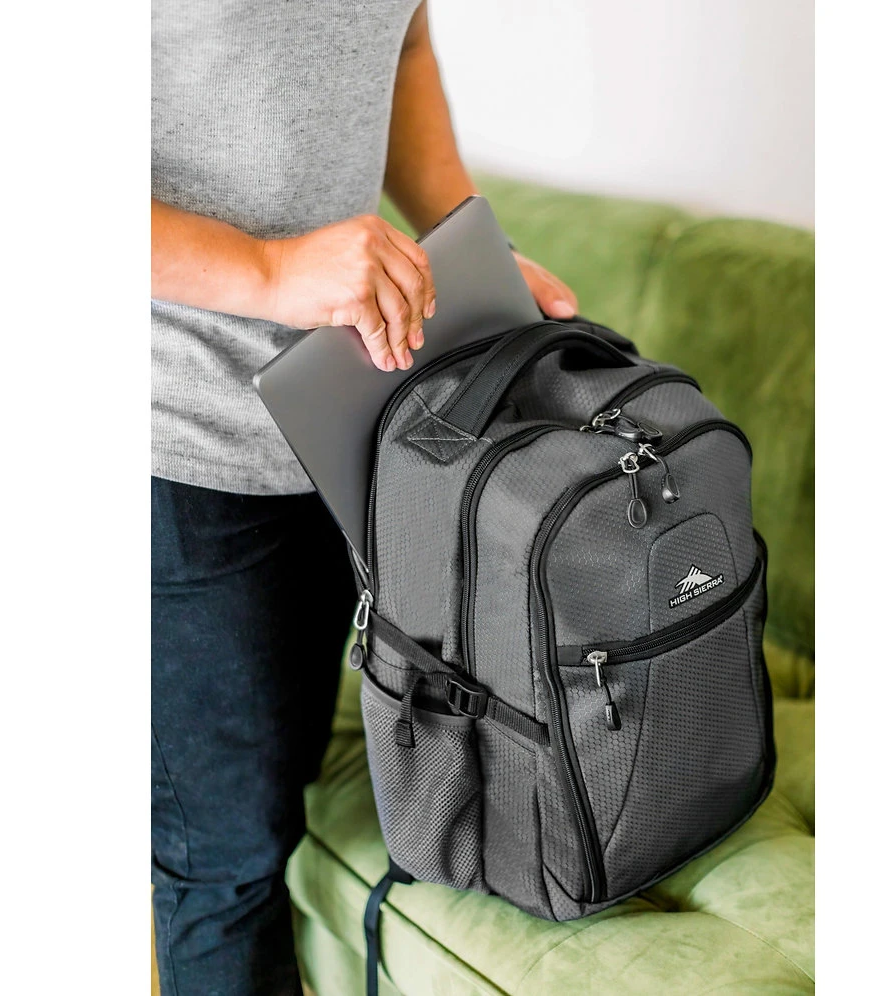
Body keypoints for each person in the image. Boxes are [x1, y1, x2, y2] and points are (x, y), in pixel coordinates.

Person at [150, 2, 578, 994]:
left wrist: (466, 248)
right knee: (227, 863)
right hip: (179, 439)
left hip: (353, 421)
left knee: (280, 802)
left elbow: (405, 39)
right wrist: (267, 269)